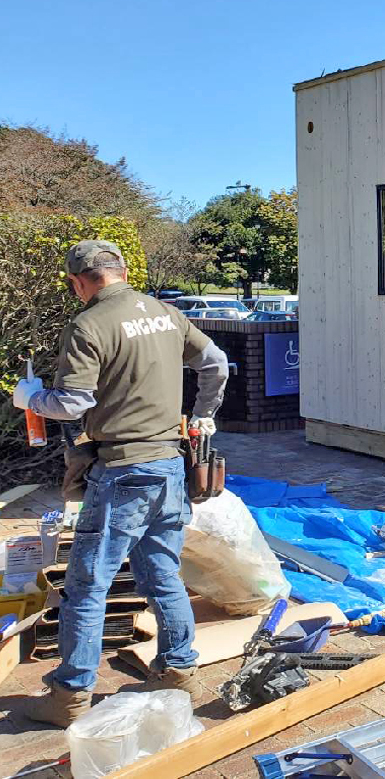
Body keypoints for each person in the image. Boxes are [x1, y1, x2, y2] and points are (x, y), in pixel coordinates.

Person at [12, 241, 230, 727]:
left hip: (123, 471)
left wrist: (31, 396)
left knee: (86, 586)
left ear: (79, 281)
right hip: (171, 467)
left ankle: (69, 695)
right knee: (162, 574)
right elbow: (215, 363)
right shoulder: (165, 313)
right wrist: (203, 416)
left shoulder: (88, 324)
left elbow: (71, 404)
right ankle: (177, 672)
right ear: (123, 271)